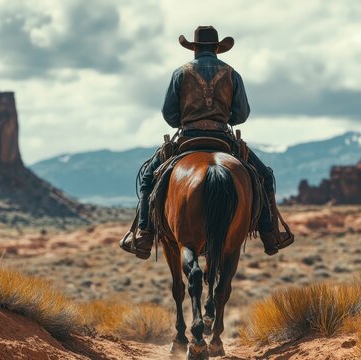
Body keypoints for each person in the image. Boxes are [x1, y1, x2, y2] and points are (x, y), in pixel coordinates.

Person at [120, 26, 294, 259]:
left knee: (148, 178)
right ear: (217, 49)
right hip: (223, 138)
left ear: (194, 49)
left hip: (187, 138)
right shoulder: (231, 73)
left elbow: (169, 116)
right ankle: (270, 234)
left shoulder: (180, 73)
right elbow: (241, 115)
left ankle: (143, 236)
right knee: (264, 176)